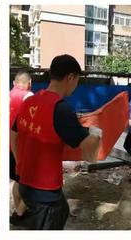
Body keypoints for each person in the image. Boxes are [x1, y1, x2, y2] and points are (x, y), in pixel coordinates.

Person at [10, 55, 101, 230]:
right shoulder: (60, 108)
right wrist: (97, 134)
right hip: (46, 192)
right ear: (70, 77)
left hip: (25, 184)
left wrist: (19, 162)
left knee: (61, 210)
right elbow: (90, 152)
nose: (76, 86)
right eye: (77, 81)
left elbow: (13, 133)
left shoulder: (29, 102)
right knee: (55, 217)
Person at [9, 71, 34, 217]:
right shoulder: (28, 96)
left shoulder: (7, 95)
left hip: (7, 145)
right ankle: (19, 212)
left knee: (17, 180)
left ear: (14, 83)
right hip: (20, 146)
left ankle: (17, 210)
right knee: (24, 180)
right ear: (29, 83)